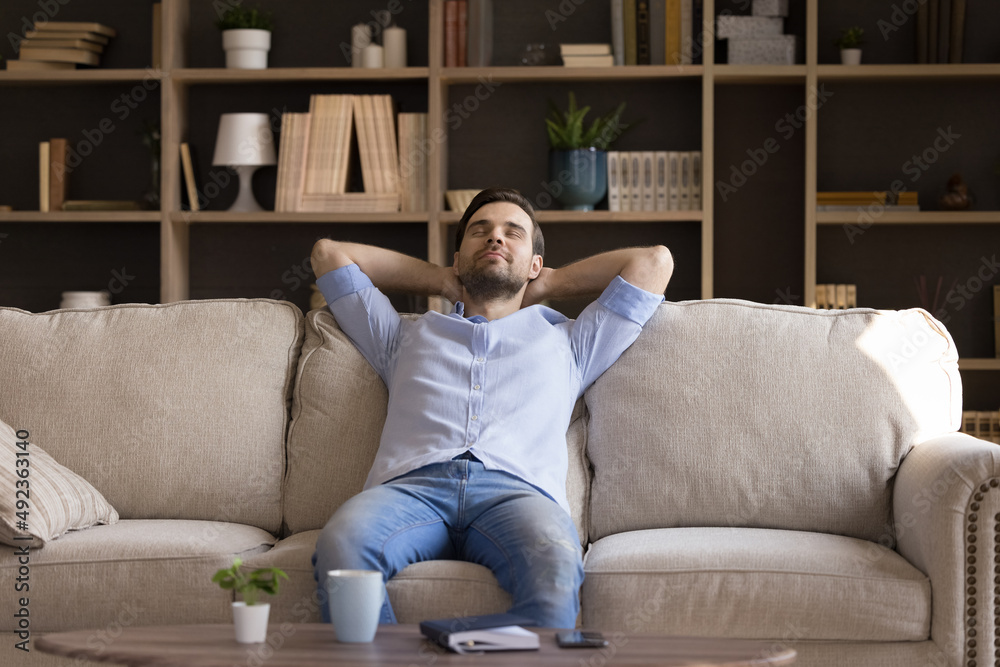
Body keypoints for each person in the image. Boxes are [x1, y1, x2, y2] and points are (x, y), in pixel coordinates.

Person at [309, 187, 673, 628]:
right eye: (480, 231)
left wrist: (549, 284)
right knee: (342, 545)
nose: (495, 238)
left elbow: (655, 263)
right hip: (410, 491)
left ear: (535, 264)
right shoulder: (402, 336)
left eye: (512, 233)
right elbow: (329, 253)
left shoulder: (573, 342)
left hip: (516, 493)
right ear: (458, 258)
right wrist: (442, 280)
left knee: (556, 563)